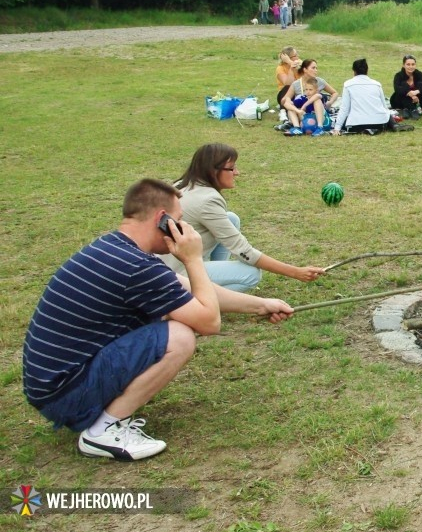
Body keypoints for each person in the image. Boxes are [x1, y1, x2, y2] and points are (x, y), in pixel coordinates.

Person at [22, 179, 294, 461]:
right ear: (161, 220)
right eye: (178, 221)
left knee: (170, 326)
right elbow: (210, 322)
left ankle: (104, 415)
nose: (184, 229)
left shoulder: (117, 249)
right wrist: (193, 259)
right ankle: (102, 431)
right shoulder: (137, 266)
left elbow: (188, 288)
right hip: (65, 395)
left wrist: (261, 305)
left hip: (53, 386)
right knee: (179, 337)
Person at [164, 143, 326, 292]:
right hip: (176, 273)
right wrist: (295, 272)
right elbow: (244, 251)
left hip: (167, 262)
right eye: (231, 168)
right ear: (213, 171)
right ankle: (200, 303)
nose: (237, 173)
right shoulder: (207, 200)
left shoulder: (182, 185)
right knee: (250, 274)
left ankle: (212, 272)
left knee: (231, 219)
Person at [333, 58, 413, 134]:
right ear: (367, 70)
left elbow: (344, 108)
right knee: (385, 112)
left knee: (343, 119)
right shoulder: (377, 84)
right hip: (380, 124)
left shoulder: (348, 84)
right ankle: (394, 125)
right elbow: (384, 107)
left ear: (354, 71)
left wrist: (337, 128)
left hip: (357, 125)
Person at [390, 55, 422, 119]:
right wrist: (411, 95)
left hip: (418, 99)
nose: (411, 67)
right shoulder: (398, 75)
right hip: (403, 100)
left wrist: (416, 92)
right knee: (403, 85)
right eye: (408, 64)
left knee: (421, 84)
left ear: (415, 65)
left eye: (413, 64)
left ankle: (409, 109)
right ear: (403, 65)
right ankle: (412, 109)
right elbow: (397, 89)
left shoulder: (419, 74)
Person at [274, 47, 301, 131]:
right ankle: (283, 113)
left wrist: (290, 62)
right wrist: (291, 68)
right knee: (288, 87)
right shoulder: (280, 68)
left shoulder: (299, 63)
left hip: (299, 92)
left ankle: (291, 120)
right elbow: (288, 83)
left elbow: (307, 70)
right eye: (295, 55)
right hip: (284, 94)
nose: (298, 57)